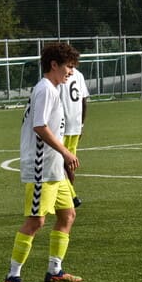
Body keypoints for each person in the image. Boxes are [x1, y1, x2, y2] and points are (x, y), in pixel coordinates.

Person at [2, 42, 83, 282]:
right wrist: (66, 151)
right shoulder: (45, 89)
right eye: (68, 67)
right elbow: (40, 126)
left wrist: (62, 158)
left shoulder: (52, 89)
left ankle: (55, 270)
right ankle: (12, 277)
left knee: (68, 215)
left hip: (54, 167)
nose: (71, 72)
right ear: (54, 65)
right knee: (36, 221)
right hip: (41, 167)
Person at [59, 64, 89, 208]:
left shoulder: (59, 76)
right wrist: (81, 125)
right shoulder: (79, 75)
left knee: (59, 164)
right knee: (68, 164)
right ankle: (69, 196)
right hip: (75, 125)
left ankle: (71, 196)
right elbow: (84, 101)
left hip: (62, 126)